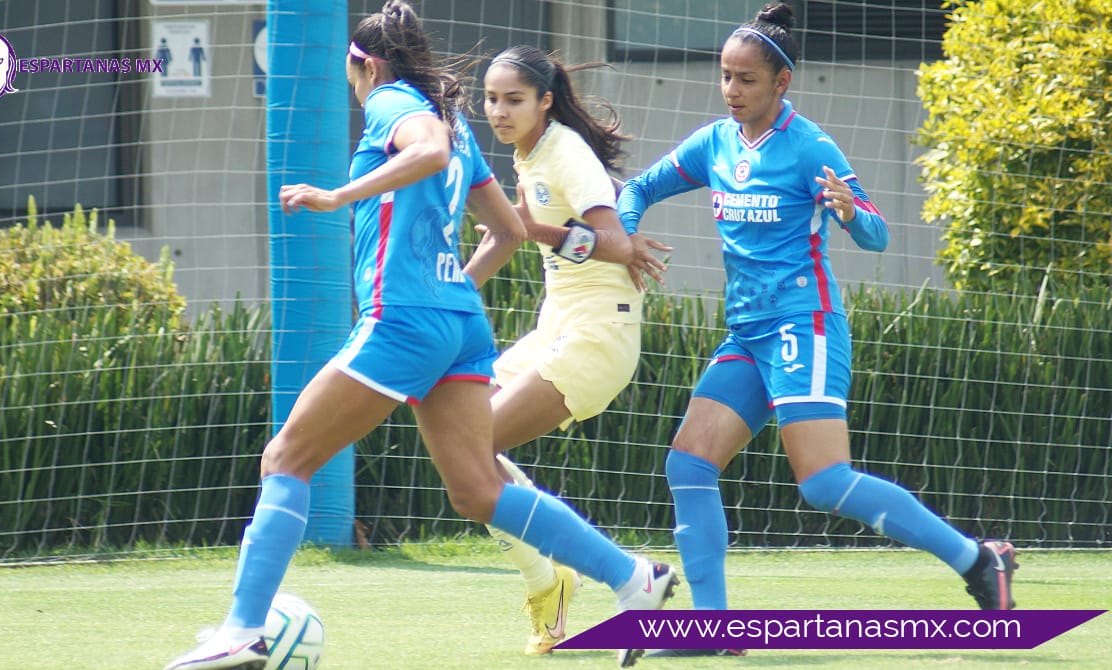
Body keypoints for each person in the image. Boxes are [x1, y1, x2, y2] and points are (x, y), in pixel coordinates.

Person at [163, 4, 677, 669]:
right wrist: (446, 292)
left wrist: (337, 196)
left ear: (365, 64)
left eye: (352, 73)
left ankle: (242, 629)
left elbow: (426, 151)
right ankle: (633, 579)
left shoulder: (396, 104)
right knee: (478, 491)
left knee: (286, 458)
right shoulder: (457, 123)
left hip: (403, 317)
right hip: (456, 321)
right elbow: (511, 230)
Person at [616, 2, 1017, 662]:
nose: (732, 91)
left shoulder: (810, 146)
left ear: (782, 84)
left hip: (807, 324)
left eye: (746, 79)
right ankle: (712, 633)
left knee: (824, 483)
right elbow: (638, 188)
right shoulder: (714, 143)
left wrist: (848, 208)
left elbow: (879, 233)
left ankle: (977, 560)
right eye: (725, 76)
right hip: (747, 334)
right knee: (687, 463)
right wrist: (626, 231)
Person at [479, 45, 673, 657]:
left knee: (471, 450)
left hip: (597, 333)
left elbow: (614, 241)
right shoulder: (527, 152)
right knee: (455, 433)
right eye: (491, 99)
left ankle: (610, 577)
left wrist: (527, 226)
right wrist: (450, 292)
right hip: (557, 326)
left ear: (545, 101)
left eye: (513, 99)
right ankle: (553, 579)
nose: (500, 111)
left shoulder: (563, 150)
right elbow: (510, 234)